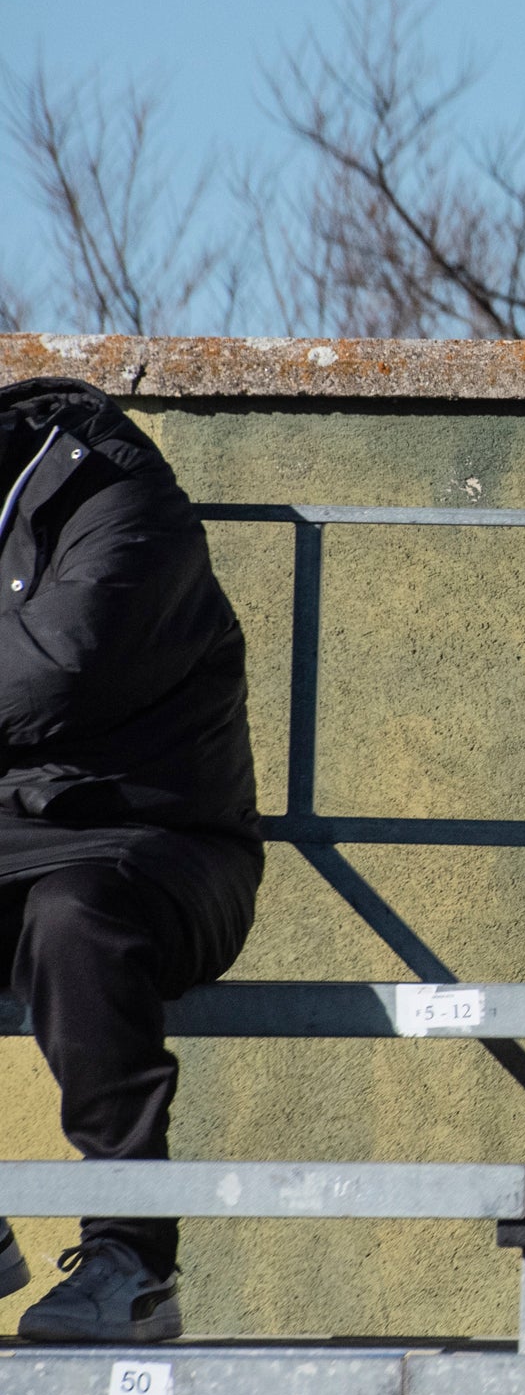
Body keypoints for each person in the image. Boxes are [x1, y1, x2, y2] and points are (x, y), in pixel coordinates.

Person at [0, 377, 262, 1343]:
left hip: (164, 844)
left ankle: (131, 1262)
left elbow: (58, 670)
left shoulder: (114, 487)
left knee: (77, 918)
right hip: (18, 838)